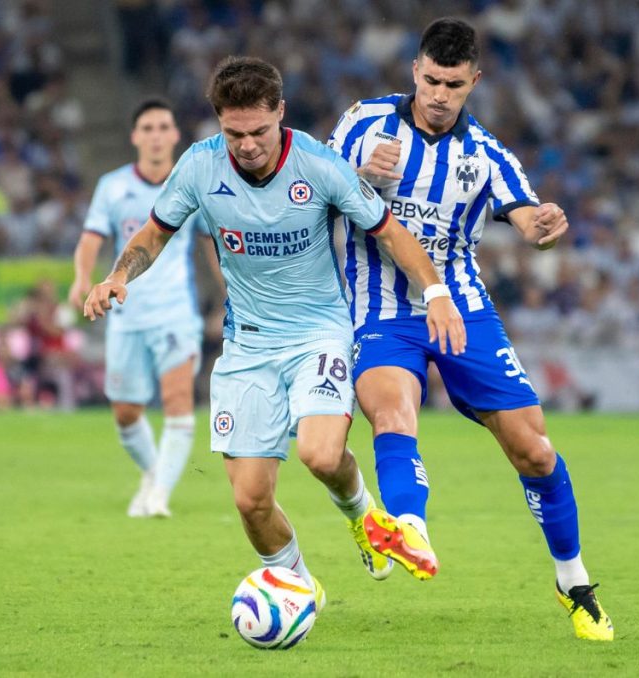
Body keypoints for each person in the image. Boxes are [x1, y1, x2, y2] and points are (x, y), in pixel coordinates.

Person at [83, 56, 465, 606]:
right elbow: (153, 234)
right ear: (218, 123)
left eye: (259, 130)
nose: (247, 144)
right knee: (250, 502)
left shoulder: (317, 164)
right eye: (233, 133)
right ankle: (297, 586)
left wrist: (434, 293)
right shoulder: (198, 167)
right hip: (247, 344)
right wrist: (119, 275)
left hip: (319, 333)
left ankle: (362, 516)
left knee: (320, 455)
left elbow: (389, 231)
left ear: (280, 113)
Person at [327, 18, 613, 640]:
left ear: (473, 82)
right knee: (393, 414)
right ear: (414, 71)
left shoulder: (485, 156)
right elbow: (313, 193)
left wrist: (543, 226)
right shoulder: (360, 124)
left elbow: (527, 217)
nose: (437, 94)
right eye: (429, 79)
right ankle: (411, 530)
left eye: (452, 85)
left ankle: (572, 578)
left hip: (461, 310)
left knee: (535, 450)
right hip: (381, 309)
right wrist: (358, 176)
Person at [69, 99, 205, 518]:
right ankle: (153, 474)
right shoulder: (112, 186)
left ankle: (159, 495)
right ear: (135, 137)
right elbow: (91, 238)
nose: (156, 135)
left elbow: (211, 242)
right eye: (147, 127)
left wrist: (230, 291)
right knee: (127, 412)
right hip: (125, 310)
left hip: (176, 311)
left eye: (164, 126)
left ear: (175, 135)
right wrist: (81, 277)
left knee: (177, 398)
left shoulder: (189, 183)